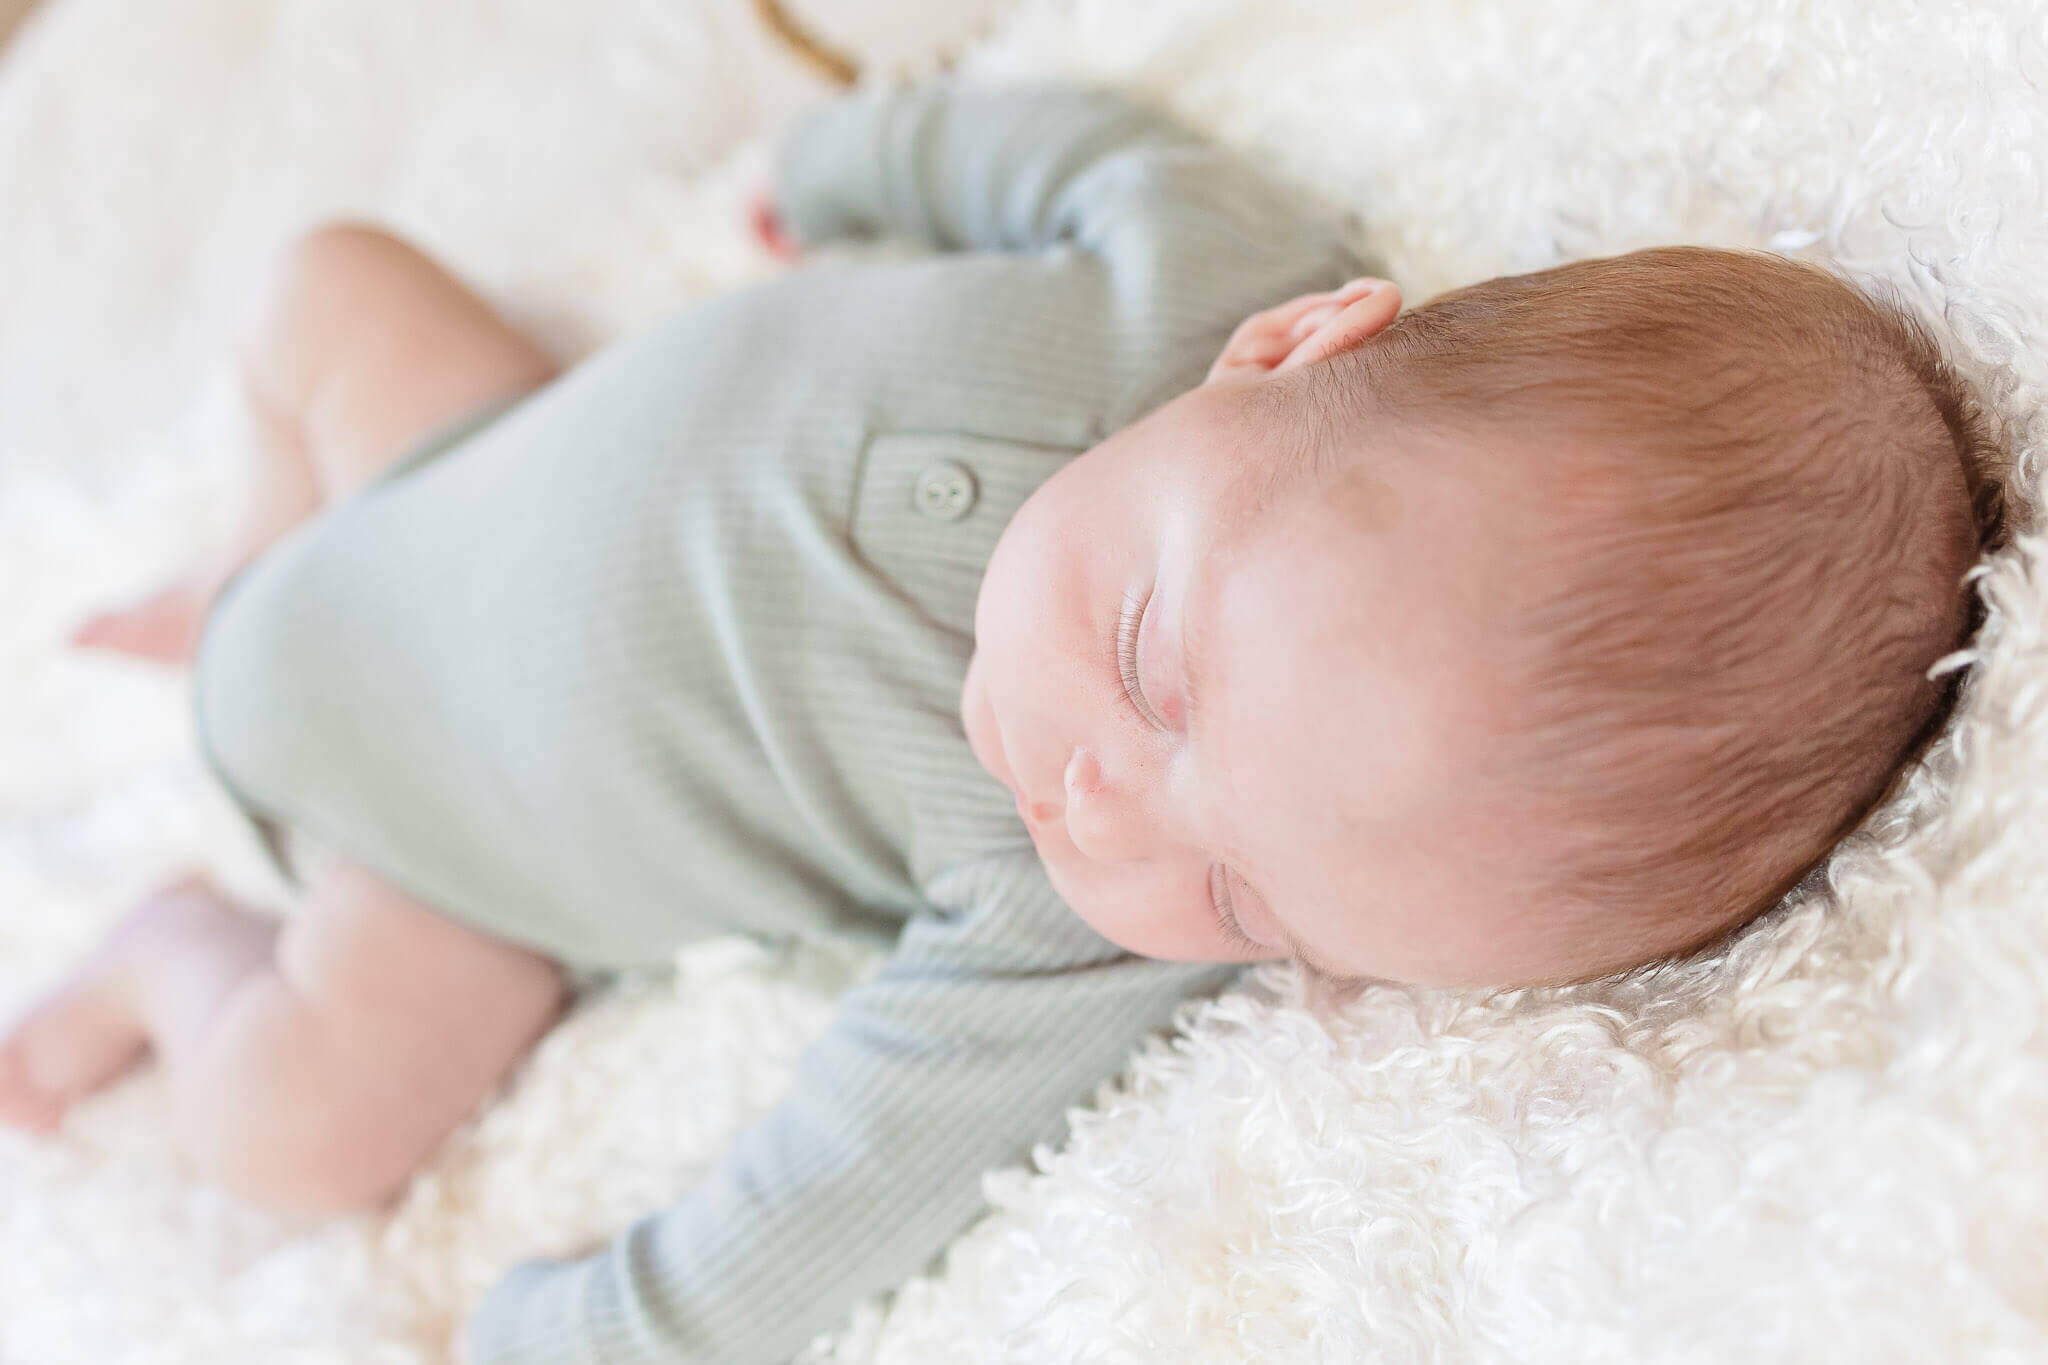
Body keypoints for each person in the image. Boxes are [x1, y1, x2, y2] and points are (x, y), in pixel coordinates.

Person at [0, 80, 1999, 1364]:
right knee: (317, 282)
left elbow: (834, 1181)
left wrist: (579, 1326)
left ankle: (174, 951)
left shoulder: (1053, 926)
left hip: (421, 854)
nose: (1094, 799)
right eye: (1144, 658)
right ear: (1288, 347)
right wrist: (850, 157)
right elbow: (1073, 148)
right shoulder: (1201, 276)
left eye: (1240, 890)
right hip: (441, 450)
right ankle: (248, 567)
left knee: (301, 1125)